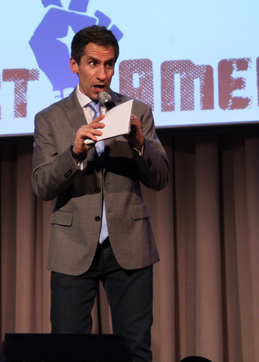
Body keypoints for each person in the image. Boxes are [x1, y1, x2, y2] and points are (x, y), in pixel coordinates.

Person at [31, 25, 169, 362]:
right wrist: (75, 152)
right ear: (74, 65)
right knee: (68, 349)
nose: (102, 73)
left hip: (129, 243)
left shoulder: (138, 112)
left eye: (109, 65)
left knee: (136, 348)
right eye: (93, 63)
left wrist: (139, 144)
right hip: (73, 245)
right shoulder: (50, 119)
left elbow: (161, 177)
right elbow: (42, 186)